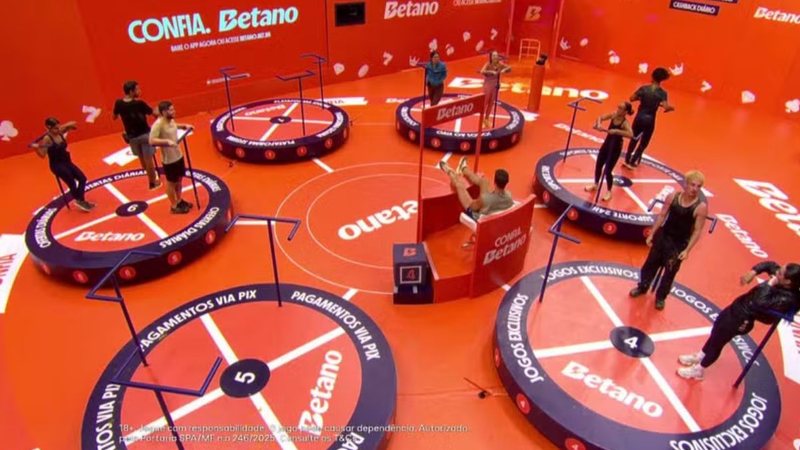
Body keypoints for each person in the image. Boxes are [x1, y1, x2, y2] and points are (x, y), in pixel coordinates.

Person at [676, 261, 800, 380]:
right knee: (716, 332)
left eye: (780, 273)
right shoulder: (780, 277)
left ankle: (699, 370)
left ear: (788, 281)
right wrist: (754, 271)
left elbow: (759, 302)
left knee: (718, 342)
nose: (776, 272)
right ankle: (700, 356)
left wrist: (769, 284)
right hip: (737, 307)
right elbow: (770, 265)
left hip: (743, 318)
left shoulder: (786, 298)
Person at [629, 170, 708, 310]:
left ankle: (661, 297)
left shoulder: (700, 208)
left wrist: (687, 250)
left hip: (679, 243)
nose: (695, 189)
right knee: (650, 264)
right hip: (664, 236)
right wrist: (652, 234)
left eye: (698, 186)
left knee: (670, 272)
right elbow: (662, 215)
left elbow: (697, 231)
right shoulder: (672, 197)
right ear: (686, 184)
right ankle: (642, 287)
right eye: (692, 185)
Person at [30, 118, 95, 212]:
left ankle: (80, 200)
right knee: (72, 183)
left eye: (58, 127)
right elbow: (42, 155)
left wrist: (68, 127)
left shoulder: (60, 132)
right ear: (49, 128)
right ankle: (80, 200)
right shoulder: (47, 139)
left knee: (82, 178)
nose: (58, 129)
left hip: (67, 161)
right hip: (57, 165)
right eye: (55, 128)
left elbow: (73, 123)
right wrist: (36, 148)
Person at [623, 67, 675, 169]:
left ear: (652, 76)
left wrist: (641, 98)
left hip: (639, 117)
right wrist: (670, 108)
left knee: (634, 138)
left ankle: (627, 159)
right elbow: (666, 107)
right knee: (644, 142)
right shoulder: (662, 93)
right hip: (650, 120)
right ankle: (633, 162)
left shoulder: (644, 88)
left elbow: (632, 98)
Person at [113, 80, 161, 189]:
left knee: (142, 159)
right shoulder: (139, 104)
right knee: (149, 160)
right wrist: (158, 110)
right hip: (145, 135)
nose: (139, 91)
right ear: (131, 91)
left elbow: (114, 117)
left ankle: (150, 176)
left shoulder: (119, 103)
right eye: (137, 89)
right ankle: (152, 182)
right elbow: (154, 114)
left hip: (132, 137)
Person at [149, 101, 194, 214]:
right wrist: (167, 142)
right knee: (171, 182)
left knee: (179, 179)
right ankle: (174, 206)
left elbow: (174, 125)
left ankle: (179, 200)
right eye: (170, 110)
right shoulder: (158, 124)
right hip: (169, 160)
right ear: (163, 112)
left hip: (178, 155)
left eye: (173, 109)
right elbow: (151, 140)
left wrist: (184, 126)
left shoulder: (170, 120)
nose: (173, 112)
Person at [583, 101, 634, 201]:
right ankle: (596, 184)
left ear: (625, 112)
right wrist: (598, 124)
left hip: (615, 148)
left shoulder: (624, 123)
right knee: (598, 164)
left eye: (621, 108)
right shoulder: (614, 115)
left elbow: (631, 134)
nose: (618, 109)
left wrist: (617, 131)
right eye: (618, 107)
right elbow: (601, 117)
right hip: (607, 144)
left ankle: (609, 191)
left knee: (607, 171)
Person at [438, 156, 513, 221]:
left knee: (459, 185)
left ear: (495, 182)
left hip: (476, 215)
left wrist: (480, 199)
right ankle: (463, 168)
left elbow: (472, 206)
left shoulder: (485, 199)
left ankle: (447, 170)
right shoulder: (509, 196)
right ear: (506, 183)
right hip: (489, 206)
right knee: (484, 181)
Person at [479, 50, 511, 129]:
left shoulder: (500, 64)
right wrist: (491, 72)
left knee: (491, 103)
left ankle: (486, 119)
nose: (495, 57)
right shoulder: (488, 64)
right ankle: (481, 121)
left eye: (496, 55)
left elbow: (509, 68)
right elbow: (482, 71)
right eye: (493, 55)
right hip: (488, 84)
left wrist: (504, 70)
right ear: (491, 57)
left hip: (495, 85)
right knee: (485, 102)